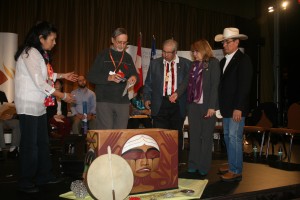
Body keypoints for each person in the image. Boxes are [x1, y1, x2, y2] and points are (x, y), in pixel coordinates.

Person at [14, 21, 78, 193]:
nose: (55, 43)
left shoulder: (39, 54)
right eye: (52, 39)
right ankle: (26, 180)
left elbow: (46, 74)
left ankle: (44, 175)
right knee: (30, 144)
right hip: (28, 105)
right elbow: (39, 81)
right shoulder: (30, 53)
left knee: (42, 142)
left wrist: (63, 75)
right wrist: (63, 96)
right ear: (41, 38)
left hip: (38, 105)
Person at [143, 39, 191, 163]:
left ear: (175, 52)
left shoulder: (186, 64)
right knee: (160, 135)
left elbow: (189, 85)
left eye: (168, 52)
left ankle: (176, 162)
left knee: (176, 135)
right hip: (160, 104)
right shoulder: (155, 64)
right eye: (163, 51)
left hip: (178, 104)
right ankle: (161, 163)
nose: (165, 55)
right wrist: (147, 98)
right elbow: (148, 83)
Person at [214, 27, 253, 182]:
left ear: (237, 42)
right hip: (226, 107)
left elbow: (245, 86)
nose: (224, 45)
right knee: (228, 137)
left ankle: (236, 170)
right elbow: (222, 87)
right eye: (223, 42)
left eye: (227, 42)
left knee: (234, 137)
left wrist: (239, 107)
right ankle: (232, 164)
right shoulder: (223, 61)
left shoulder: (244, 60)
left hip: (236, 108)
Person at [87, 28, 138, 129]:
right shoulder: (103, 55)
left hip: (123, 101)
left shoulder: (127, 57)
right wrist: (109, 77)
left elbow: (135, 74)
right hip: (105, 100)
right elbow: (91, 76)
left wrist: (134, 77)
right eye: (119, 42)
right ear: (112, 40)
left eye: (125, 43)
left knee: (120, 133)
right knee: (107, 133)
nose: (122, 45)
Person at [186, 39, 220, 175]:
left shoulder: (213, 63)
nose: (194, 54)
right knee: (193, 137)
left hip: (207, 107)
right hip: (193, 106)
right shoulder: (193, 65)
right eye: (193, 51)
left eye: (196, 51)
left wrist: (212, 107)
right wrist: (176, 94)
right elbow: (186, 83)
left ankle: (204, 167)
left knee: (206, 138)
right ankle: (193, 164)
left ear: (204, 50)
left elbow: (215, 86)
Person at [0, 91, 20, 160]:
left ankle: (13, 149)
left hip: (4, 119)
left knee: (17, 122)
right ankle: (1, 149)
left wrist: (10, 115)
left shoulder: (1, 93)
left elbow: (6, 106)